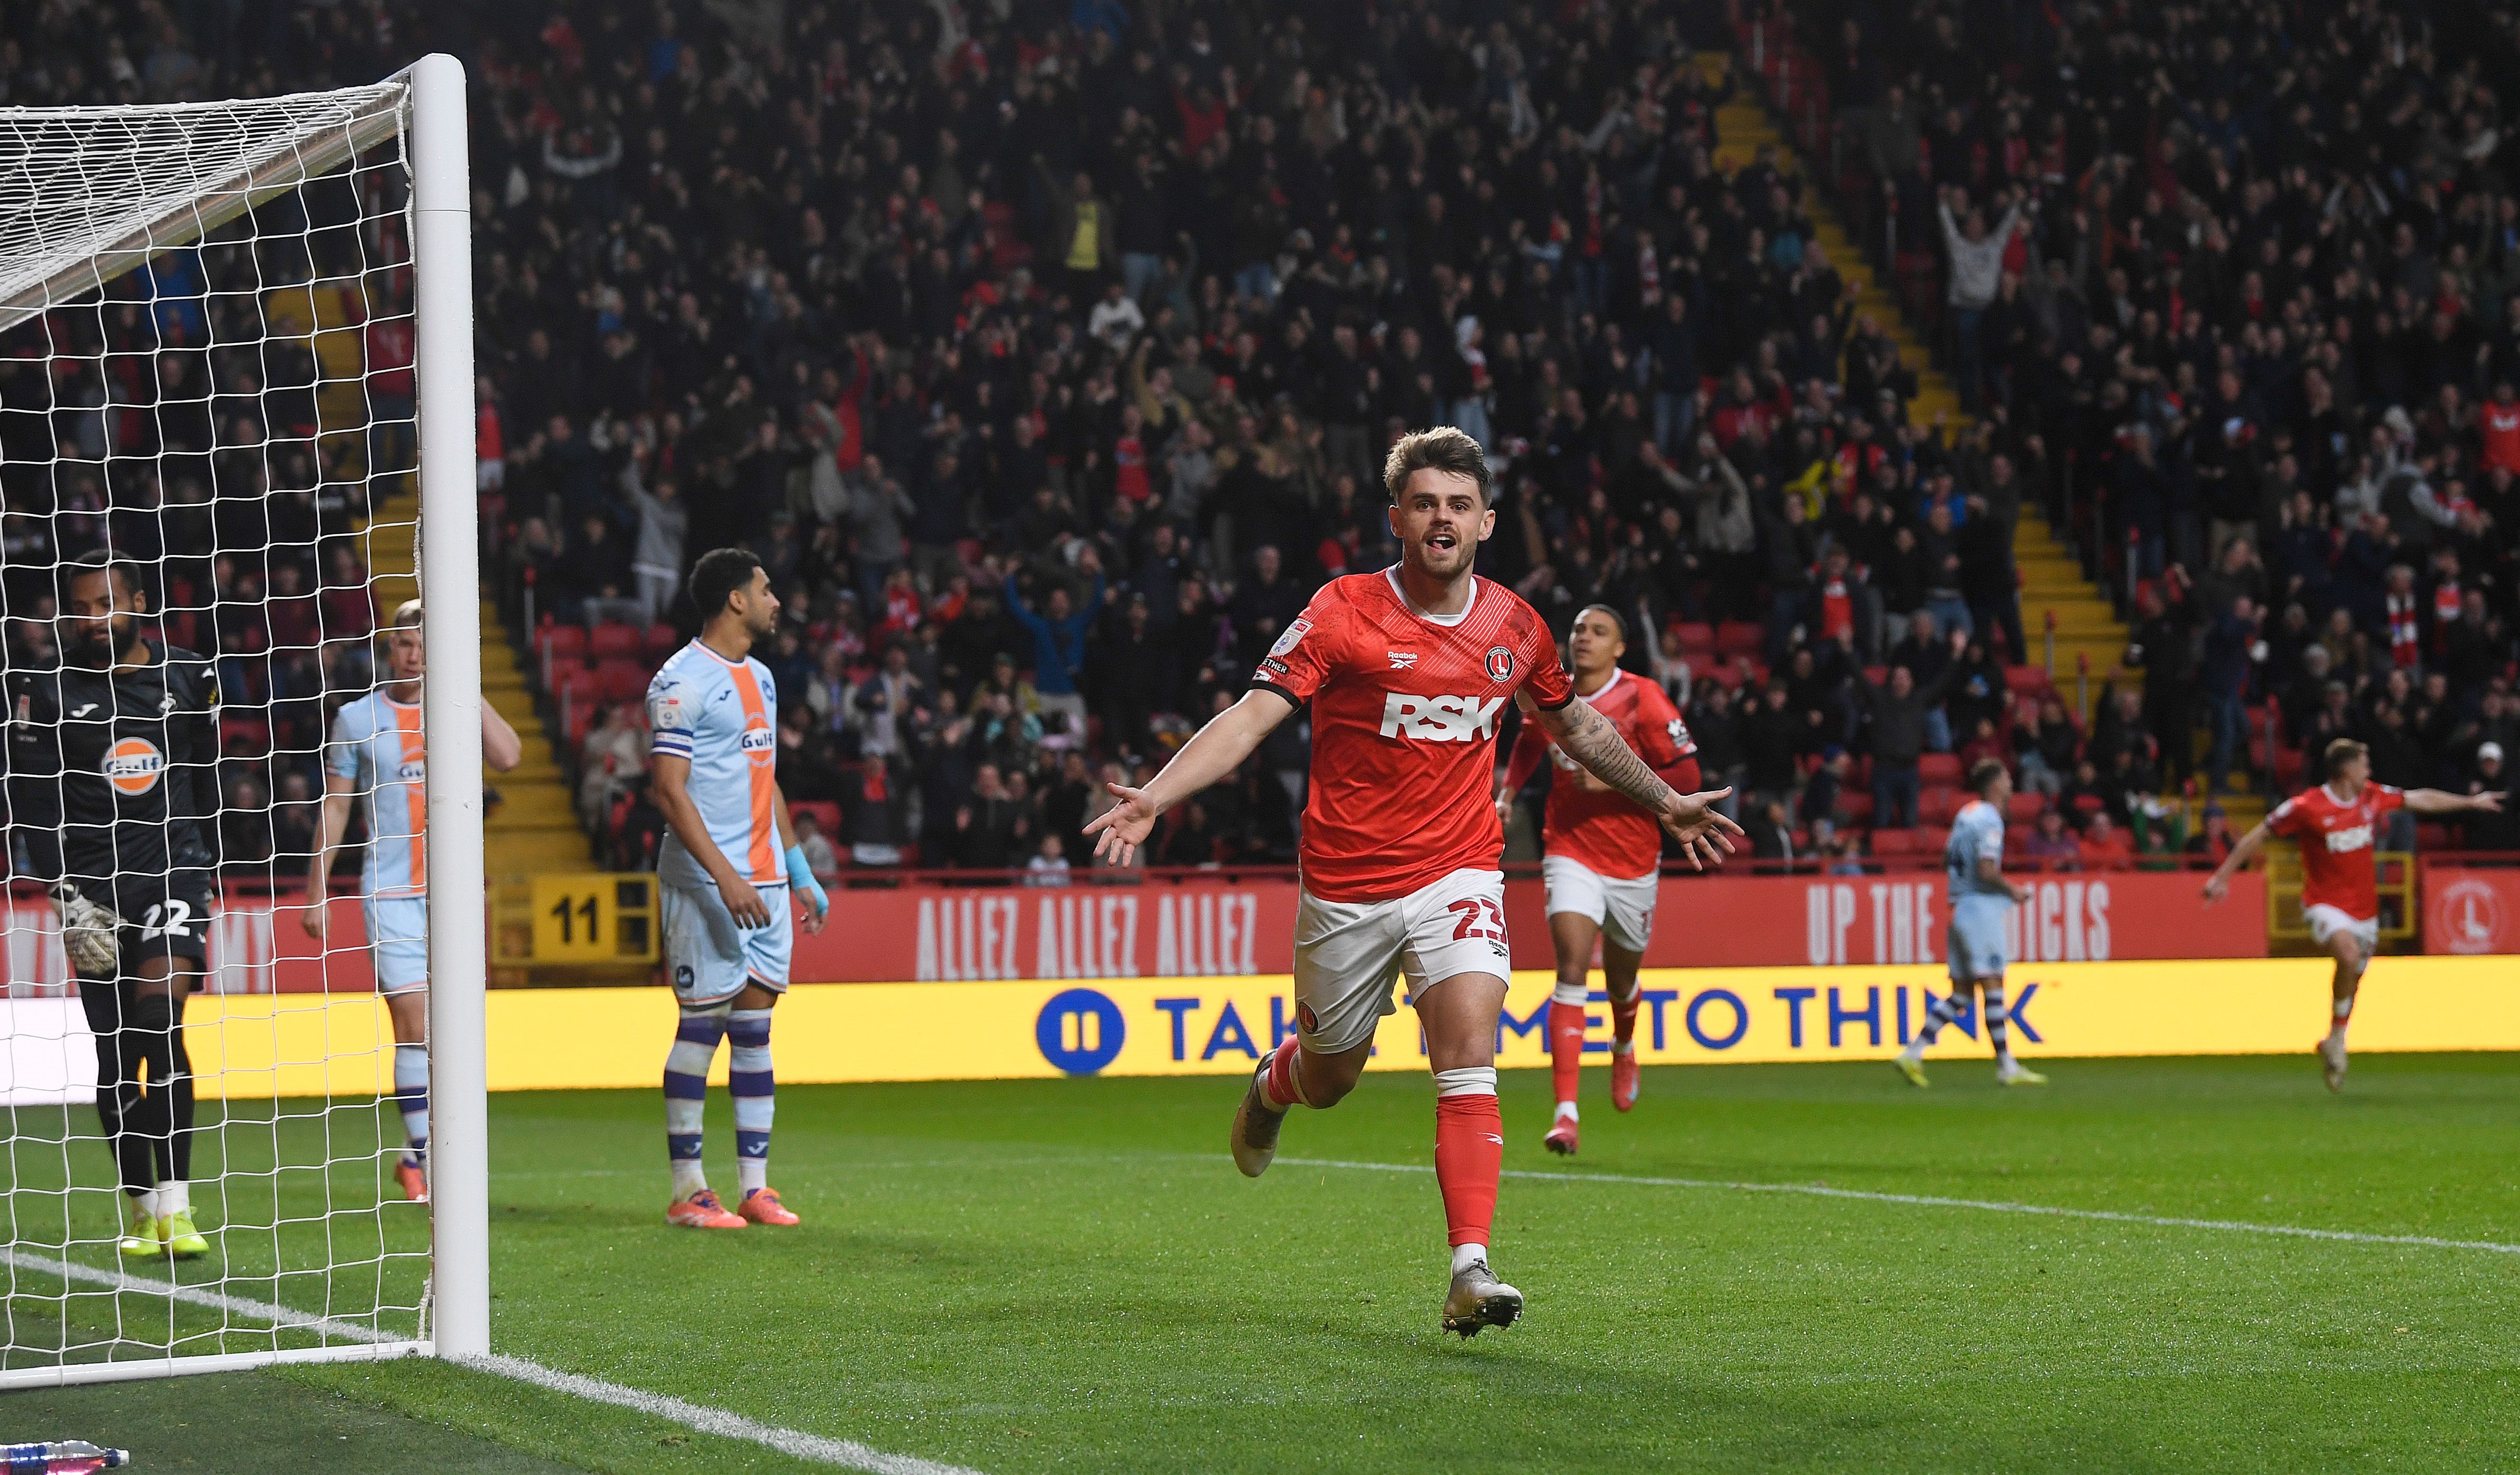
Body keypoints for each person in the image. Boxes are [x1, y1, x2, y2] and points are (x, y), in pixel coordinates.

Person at [1083, 428, 1740, 1337]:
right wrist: (1155, 795)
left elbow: (1575, 725)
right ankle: (1276, 1082)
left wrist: (1665, 798)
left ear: (1486, 522)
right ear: (1396, 516)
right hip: (1346, 887)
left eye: (1459, 505)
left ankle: (1469, 1266)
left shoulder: (1515, 626)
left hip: (1458, 869)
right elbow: (1252, 716)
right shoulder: (1341, 611)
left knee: (1469, 1046)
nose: (1442, 518)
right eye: (1425, 502)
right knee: (1334, 1075)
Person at [3, 559, 220, 1258]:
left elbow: (209, 772)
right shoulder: (44, 688)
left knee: (162, 1020)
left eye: (107, 603)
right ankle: (142, 1203)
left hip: (171, 873)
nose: (93, 617)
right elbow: (32, 801)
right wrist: (60, 890)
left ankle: (181, 1205)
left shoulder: (190, 676)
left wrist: (204, 860)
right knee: (116, 1050)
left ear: (137, 602)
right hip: (92, 887)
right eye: (81, 608)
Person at [305, 601, 523, 1203]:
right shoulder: (356, 718)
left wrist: (466, 686)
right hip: (391, 891)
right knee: (413, 1025)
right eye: (404, 642)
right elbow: (336, 805)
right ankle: (428, 1160)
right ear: (388, 648)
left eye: (426, 642)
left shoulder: (452, 707)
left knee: (453, 1031)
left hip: (454, 892)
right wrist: (317, 888)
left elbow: (508, 757)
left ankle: (413, 1154)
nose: (415, 653)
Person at [645, 549, 832, 1228]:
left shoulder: (761, 677)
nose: (775, 599)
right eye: (764, 589)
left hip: (764, 881)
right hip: (704, 881)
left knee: (754, 1030)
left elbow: (765, 779)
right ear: (734, 600)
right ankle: (687, 1190)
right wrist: (724, 878)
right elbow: (668, 792)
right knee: (701, 1024)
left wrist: (799, 869)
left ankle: (755, 1187)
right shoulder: (679, 683)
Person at [1496, 604, 1700, 1156]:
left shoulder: (1643, 697)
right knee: (1569, 965)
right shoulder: (1552, 687)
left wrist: (1611, 778)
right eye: (1579, 629)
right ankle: (1565, 1113)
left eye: (1598, 632)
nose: (1583, 638)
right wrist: (1509, 791)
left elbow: (1686, 775)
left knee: (1619, 978)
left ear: (1618, 649)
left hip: (1633, 859)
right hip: (1568, 848)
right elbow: (1533, 737)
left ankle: (1624, 1041)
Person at [2203, 738, 2502, 1091]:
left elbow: (2417, 797)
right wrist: (2222, 876)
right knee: (2346, 954)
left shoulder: (2370, 796)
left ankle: (2335, 1037)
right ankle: (2338, 1037)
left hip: (2364, 910)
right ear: (2346, 770)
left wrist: (2468, 802)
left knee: (2354, 973)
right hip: (2323, 904)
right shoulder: (2307, 806)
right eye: (2364, 764)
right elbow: (2260, 833)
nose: (2369, 771)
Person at [1894, 759, 2046, 1087]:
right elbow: (1987, 869)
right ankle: (2007, 1066)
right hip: (1980, 912)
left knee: (1962, 993)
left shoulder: (1965, 815)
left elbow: (1948, 857)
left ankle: (1914, 1052)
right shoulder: (1991, 820)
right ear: (1995, 785)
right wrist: (2014, 891)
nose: (2011, 784)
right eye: (2006, 778)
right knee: (1993, 984)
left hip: (1959, 908)